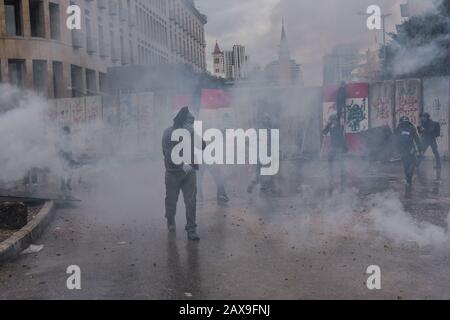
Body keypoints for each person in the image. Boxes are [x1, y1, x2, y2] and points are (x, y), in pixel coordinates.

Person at [162, 107, 204, 241]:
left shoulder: (191, 133)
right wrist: (181, 165)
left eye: (192, 124)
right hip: (173, 173)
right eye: (189, 123)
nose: (190, 125)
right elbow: (167, 154)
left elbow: (203, 145)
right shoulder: (168, 133)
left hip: (189, 173)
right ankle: (170, 221)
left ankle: (191, 229)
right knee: (171, 201)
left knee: (191, 201)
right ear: (182, 122)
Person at [394, 116, 421, 192]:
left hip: (403, 150)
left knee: (406, 165)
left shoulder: (398, 128)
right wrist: (419, 149)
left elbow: (394, 140)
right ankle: (409, 179)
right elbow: (417, 139)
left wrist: (396, 150)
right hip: (410, 149)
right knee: (411, 164)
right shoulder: (411, 128)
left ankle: (408, 179)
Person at [322, 113, 347, 191]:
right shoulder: (330, 126)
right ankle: (331, 174)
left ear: (336, 121)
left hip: (339, 147)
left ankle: (342, 177)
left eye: (335, 120)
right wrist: (327, 125)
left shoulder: (340, 127)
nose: (334, 122)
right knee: (330, 159)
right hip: (333, 147)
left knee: (341, 163)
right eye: (332, 121)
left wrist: (345, 147)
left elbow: (343, 138)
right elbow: (324, 132)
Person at [417, 112, 441, 181]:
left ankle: (439, 165)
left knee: (435, 152)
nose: (422, 118)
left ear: (427, 117)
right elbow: (421, 132)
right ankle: (417, 164)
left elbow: (430, 130)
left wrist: (423, 130)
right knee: (422, 151)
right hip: (426, 140)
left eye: (424, 117)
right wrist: (419, 129)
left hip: (431, 139)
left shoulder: (431, 123)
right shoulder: (422, 122)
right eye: (422, 117)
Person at [58, 126, 74, 192]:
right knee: (65, 171)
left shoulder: (68, 138)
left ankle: (66, 184)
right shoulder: (62, 138)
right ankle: (65, 184)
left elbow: (71, 148)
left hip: (67, 156)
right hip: (65, 156)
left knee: (68, 171)